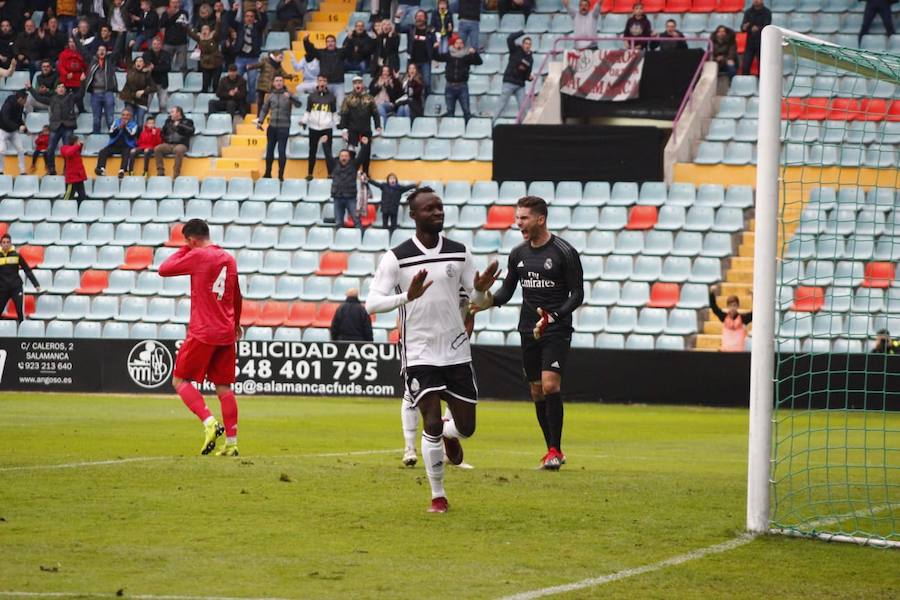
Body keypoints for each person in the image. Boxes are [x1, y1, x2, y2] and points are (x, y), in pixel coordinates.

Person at [365, 187, 498, 512]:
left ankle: (453, 437)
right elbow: (371, 303)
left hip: (455, 350)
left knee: (466, 427)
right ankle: (438, 496)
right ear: (414, 215)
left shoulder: (459, 252)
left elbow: (479, 302)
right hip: (419, 352)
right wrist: (406, 297)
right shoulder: (396, 256)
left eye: (440, 208)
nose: (437, 212)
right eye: (430, 209)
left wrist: (481, 292)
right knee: (432, 422)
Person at [484, 196, 584, 471]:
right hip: (528, 329)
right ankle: (553, 449)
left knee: (551, 385)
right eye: (517, 218)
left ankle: (554, 450)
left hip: (556, 329)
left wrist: (555, 316)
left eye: (524, 218)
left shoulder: (564, 251)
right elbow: (506, 292)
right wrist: (484, 300)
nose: (518, 224)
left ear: (541, 219)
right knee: (537, 391)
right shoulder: (518, 254)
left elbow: (577, 294)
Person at [159, 218, 243, 458]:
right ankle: (232, 443)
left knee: (179, 380)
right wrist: (236, 323)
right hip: (226, 332)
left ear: (192, 239)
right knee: (224, 388)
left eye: (187, 241)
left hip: (203, 331)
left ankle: (209, 422)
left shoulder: (197, 255)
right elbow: (237, 294)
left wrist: (187, 248)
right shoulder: (229, 258)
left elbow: (164, 269)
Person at [399, 288, 475, 467]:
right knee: (411, 395)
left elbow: (470, 318)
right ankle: (409, 448)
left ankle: (446, 436)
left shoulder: (463, 284)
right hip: (422, 349)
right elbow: (402, 313)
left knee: (456, 401)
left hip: (453, 352)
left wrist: (462, 345)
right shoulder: (425, 284)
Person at [25, 81, 84, 176]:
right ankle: (51, 169)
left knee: (67, 150)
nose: (61, 88)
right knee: (50, 149)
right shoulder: (52, 99)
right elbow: (38, 98)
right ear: (56, 90)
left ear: (65, 90)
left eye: (63, 87)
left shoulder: (71, 97)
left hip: (68, 127)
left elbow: (81, 94)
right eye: (59, 87)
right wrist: (30, 88)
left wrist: (82, 82)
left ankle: (66, 169)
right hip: (55, 127)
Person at [257, 75, 301, 181]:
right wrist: (260, 121)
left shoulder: (288, 94)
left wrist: (290, 97)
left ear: (283, 82)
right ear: (273, 83)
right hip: (272, 127)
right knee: (269, 151)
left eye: (280, 80)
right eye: (276, 81)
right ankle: (268, 172)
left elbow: (299, 104)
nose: (279, 82)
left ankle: (281, 174)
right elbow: (264, 109)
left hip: (284, 127)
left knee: (282, 151)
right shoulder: (270, 96)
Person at [339, 75, 381, 175]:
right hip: (352, 130)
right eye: (355, 83)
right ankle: (352, 172)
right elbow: (344, 114)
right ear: (353, 85)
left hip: (365, 129)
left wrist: (377, 125)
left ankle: (365, 172)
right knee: (351, 152)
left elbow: (375, 113)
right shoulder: (348, 98)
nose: (358, 85)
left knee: (366, 152)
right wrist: (344, 129)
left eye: (359, 83)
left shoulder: (369, 98)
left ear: (362, 84)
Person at [434, 36, 482, 121]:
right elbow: (437, 57)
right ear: (454, 44)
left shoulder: (467, 55)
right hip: (450, 86)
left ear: (463, 45)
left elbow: (479, 62)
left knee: (466, 110)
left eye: (461, 43)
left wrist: (474, 53)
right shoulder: (448, 54)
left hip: (462, 86)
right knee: (450, 111)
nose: (459, 44)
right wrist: (435, 49)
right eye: (457, 43)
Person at [301, 74, 337, 180]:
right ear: (317, 82)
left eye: (324, 81)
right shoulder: (311, 96)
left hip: (326, 128)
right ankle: (310, 173)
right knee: (312, 151)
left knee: (328, 152)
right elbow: (308, 111)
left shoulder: (331, 97)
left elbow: (334, 112)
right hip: (313, 128)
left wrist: (339, 125)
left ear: (326, 83)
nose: (322, 83)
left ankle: (330, 174)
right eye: (320, 80)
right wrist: (303, 121)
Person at [0, 233, 41, 323]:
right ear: (1, 244)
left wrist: (36, 284)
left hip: (16, 288)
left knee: (19, 311)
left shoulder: (16, 255)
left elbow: (27, 270)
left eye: (7, 242)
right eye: (3, 242)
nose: (5, 244)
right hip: (2, 289)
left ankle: (22, 333)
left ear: (10, 243)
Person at [494, 31, 533, 124]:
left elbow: (527, 74)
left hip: (520, 85)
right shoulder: (515, 50)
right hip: (509, 82)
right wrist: (522, 32)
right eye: (526, 43)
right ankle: (492, 122)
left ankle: (522, 127)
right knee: (501, 104)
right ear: (523, 44)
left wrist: (529, 78)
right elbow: (509, 39)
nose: (527, 46)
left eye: (529, 44)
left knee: (523, 107)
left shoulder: (530, 58)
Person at [233, 7, 269, 98]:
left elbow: (264, 21)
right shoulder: (239, 26)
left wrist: (261, 11)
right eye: (247, 16)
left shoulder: (257, 27)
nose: (249, 18)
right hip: (240, 58)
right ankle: (237, 100)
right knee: (235, 81)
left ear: (254, 18)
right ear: (244, 18)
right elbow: (230, 21)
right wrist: (233, 11)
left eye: (251, 16)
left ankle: (251, 103)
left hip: (253, 59)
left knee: (252, 82)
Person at [303, 33, 347, 107]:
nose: (330, 43)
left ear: (335, 43)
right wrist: (306, 41)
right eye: (328, 41)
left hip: (339, 84)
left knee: (341, 105)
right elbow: (311, 50)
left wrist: (350, 37)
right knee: (325, 105)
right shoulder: (321, 53)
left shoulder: (341, 52)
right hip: (325, 84)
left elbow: (349, 48)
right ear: (326, 43)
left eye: (332, 41)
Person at [85, 45, 119, 134]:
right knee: (96, 118)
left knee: (110, 118)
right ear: (96, 52)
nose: (101, 51)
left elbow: (117, 49)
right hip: (95, 93)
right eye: (99, 50)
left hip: (108, 92)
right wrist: (76, 37)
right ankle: (95, 137)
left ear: (106, 52)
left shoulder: (110, 61)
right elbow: (82, 50)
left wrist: (121, 35)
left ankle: (113, 136)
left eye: (104, 50)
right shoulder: (92, 61)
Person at [95, 107, 139, 177]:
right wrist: (119, 128)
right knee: (103, 151)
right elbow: (111, 134)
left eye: (127, 115)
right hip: (114, 145)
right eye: (123, 115)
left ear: (130, 116)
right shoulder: (116, 122)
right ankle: (100, 168)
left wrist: (124, 128)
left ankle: (122, 170)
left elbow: (131, 136)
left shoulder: (134, 125)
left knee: (127, 152)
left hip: (126, 145)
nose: (125, 117)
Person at [326, 149, 363, 230]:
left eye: (346, 156)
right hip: (337, 197)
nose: (344, 158)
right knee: (338, 222)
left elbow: (360, 158)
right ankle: (340, 240)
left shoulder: (354, 165)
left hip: (351, 198)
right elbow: (328, 157)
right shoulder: (334, 165)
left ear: (349, 157)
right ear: (339, 157)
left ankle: (361, 239)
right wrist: (325, 144)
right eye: (342, 156)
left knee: (356, 220)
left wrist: (364, 146)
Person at [155, 106, 195, 178]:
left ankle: (176, 175)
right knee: (157, 148)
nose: (170, 114)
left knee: (178, 150)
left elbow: (191, 131)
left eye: (172, 112)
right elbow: (162, 133)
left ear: (178, 113)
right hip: (169, 144)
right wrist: (166, 139)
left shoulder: (188, 121)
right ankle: (160, 172)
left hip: (181, 144)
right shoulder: (168, 121)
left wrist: (179, 125)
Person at [708, 286, 752, 352]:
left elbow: (754, 313)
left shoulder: (743, 318)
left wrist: (753, 296)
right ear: (728, 306)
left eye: (734, 305)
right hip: (725, 352)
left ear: (738, 306)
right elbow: (714, 308)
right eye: (730, 305)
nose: (732, 308)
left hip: (738, 353)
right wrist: (711, 293)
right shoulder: (724, 317)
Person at [401, 10, 435, 91]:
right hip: (412, 61)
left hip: (425, 61)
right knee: (410, 82)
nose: (419, 18)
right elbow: (398, 28)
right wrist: (398, 18)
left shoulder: (430, 30)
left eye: (421, 16)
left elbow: (435, 41)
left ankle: (424, 101)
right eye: (418, 16)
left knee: (427, 83)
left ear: (426, 19)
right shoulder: (411, 28)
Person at [248, 50, 289, 114]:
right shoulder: (265, 61)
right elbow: (258, 65)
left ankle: (271, 113)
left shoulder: (279, 66)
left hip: (271, 86)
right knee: (260, 101)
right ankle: (259, 116)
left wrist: (290, 76)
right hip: (262, 84)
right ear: (275, 56)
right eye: (280, 57)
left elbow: (284, 74)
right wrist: (252, 66)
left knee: (272, 100)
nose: (281, 59)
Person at [188, 22, 224, 93]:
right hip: (205, 64)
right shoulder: (199, 38)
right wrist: (186, 26)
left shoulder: (214, 37)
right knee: (205, 84)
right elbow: (191, 34)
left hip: (216, 63)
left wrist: (218, 20)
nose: (205, 31)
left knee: (215, 84)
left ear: (210, 31)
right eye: (203, 29)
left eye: (206, 29)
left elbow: (218, 29)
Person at [120, 55, 156, 125]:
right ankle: (131, 135)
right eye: (137, 61)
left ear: (143, 64)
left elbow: (154, 87)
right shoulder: (130, 69)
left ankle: (138, 135)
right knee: (130, 122)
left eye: (140, 61)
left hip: (141, 101)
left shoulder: (147, 74)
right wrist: (130, 47)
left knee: (139, 124)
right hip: (129, 98)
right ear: (134, 63)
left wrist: (144, 91)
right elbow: (128, 57)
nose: (138, 63)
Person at [740, 0, 771, 76]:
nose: (756, 1)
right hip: (750, 43)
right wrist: (744, 27)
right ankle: (746, 82)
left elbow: (767, 26)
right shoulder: (748, 12)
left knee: (762, 65)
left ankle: (762, 84)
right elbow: (743, 27)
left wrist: (758, 29)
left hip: (762, 42)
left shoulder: (767, 12)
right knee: (745, 65)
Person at [0, 90, 26, 176]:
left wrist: (23, 126)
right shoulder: (8, 105)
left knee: (21, 149)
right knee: (1, 150)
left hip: (13, 131)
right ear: (20, 99)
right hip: (2, 130)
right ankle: (0, 170)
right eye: (25, 100)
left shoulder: (21, 105)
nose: (26, 102)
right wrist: (18, 127)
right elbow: (6, 119)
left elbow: (19, 118)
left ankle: (22, 171)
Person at [143, 37, 172, 113]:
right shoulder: (146, 54)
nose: (156, 46)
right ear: (151, 45)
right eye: (154, 44)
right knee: (146, 105)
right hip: (149, 82)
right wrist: (159, 67)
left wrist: (154, 67)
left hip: (162, 82)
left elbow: (167, 68)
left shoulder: (166, 54)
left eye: (158, 44)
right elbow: (146, 66)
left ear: (161, 45)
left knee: (163, 105)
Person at [159, 0, 190, 72]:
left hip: (182, 43)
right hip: (168, 42)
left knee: (183, 66)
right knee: (165, 64)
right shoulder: (166, 13)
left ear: (179, 3)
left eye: (177, 2)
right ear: (170, 3)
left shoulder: (184, 13)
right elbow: (161, 24)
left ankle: (182, 81)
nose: (175, 4)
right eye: (173, 2)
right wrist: (170, 16)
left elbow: (184, 25)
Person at [57, 37, 87, 112]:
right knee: (65, 102)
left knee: (79, 100)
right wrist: (66, 74)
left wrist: (84, 74)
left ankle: (82, 112)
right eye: (70, 42)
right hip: (66, 80)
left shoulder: (82, 54)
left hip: (77, 80)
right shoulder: (63, 54)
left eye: (73, 42)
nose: (72, 44)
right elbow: (60, 66)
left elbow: (86, 67)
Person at [60, 135, 87, 204]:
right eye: (78, 141)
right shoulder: (64, 148)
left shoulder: (76, 149)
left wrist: (80, 146)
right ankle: (64, 209)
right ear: (74, 142)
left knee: (82, 196)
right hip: (72, 178)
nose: (79, 142)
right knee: (68, 196)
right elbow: (68, 153)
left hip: (79, 177)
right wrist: (77, 146)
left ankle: (78, 210)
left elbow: (75, 153)